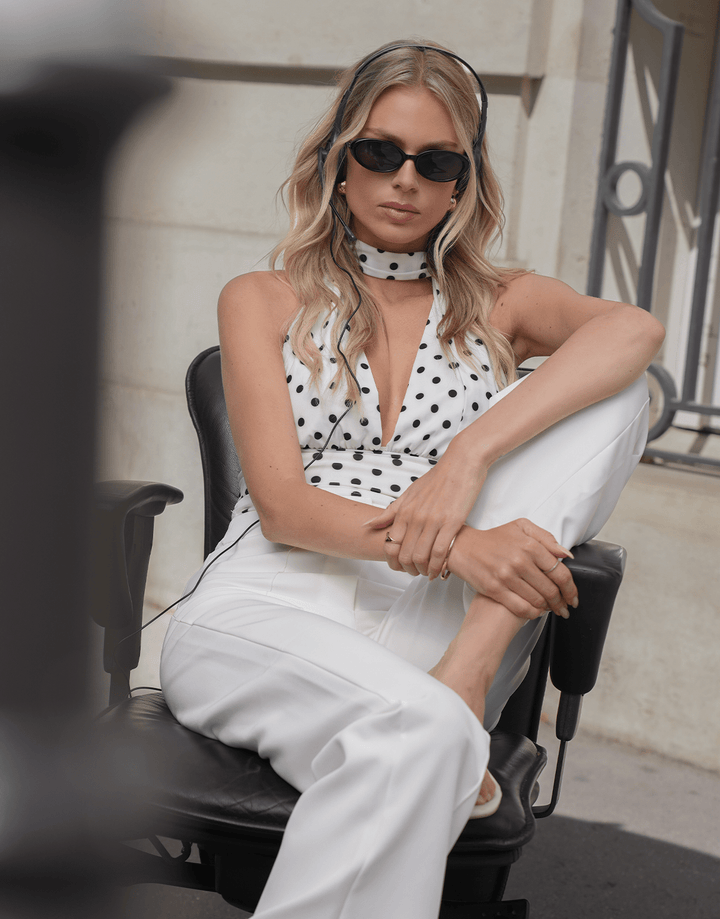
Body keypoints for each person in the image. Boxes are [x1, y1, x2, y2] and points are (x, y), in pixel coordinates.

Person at [160, 39, 664, 919]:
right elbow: (281, 506)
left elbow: (635, 331)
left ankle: (465, 677)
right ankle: (450, 711)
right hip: (272, 605)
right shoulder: (264, 297)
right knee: (428, 737)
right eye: (379, 152)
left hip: (429, 625)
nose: (405, 179)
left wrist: (466, 457)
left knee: (626, 389)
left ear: (463, 182)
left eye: (436, 162)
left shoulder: (502, 304)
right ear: (338, 163)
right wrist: (462, 545)